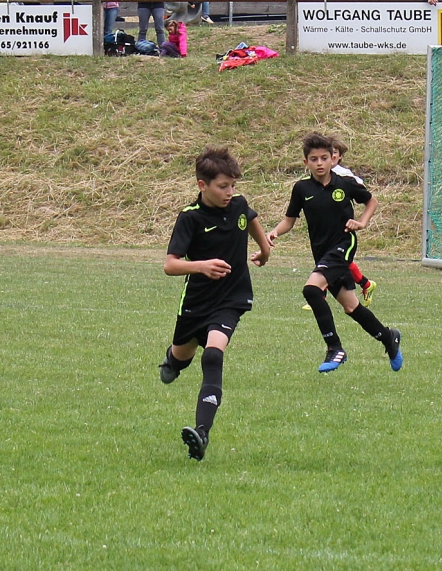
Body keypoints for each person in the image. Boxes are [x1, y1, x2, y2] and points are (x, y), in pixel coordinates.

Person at [159, 147, 271, 462]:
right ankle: (173, 360)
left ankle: (202, 433)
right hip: (196, 301)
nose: (230, 192)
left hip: (231, 298)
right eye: (223, 186)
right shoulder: (190, 217)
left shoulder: (238, 205)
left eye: (233, 185)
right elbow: (170, 265)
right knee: (180, 358)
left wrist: (264, 250)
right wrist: (202, 266)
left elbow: (251, 221)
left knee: (212, 354)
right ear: (202, 185)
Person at [267, 132, 402, 374]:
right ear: (306, 162)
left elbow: (371, 202)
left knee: (311, 290)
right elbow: (289, 220)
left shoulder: (345, 183)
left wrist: (362, 222)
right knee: (351, 307)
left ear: (333, 159)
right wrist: (274, 232)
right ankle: (388, 337)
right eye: (314, 159)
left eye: (324, 158)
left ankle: (335, 348)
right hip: (322, 253)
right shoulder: (301, 188)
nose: (319, 163)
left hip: (343, 244)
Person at [329, 137, 377, 307]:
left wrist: (361, 222)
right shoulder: (316, 177)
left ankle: (318, 295)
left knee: (331, 263)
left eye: (334, 153)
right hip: (324, 230)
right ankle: (365, 284)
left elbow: (367, 196)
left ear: (339, 156)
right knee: (339, 263)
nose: (331, 156)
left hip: (342, 231)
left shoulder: (344, 176)